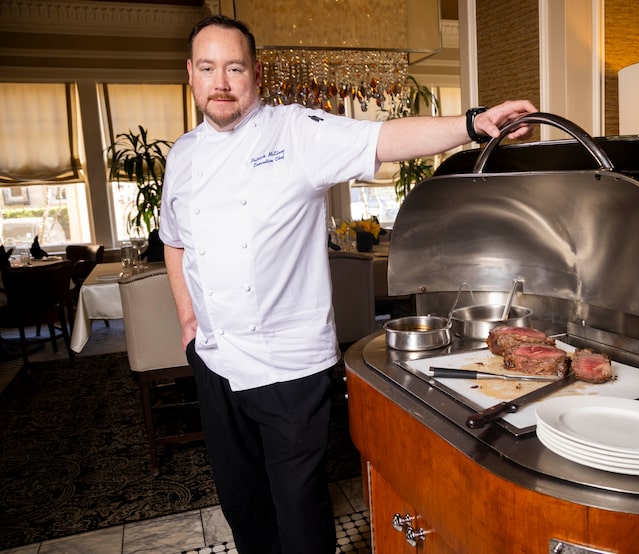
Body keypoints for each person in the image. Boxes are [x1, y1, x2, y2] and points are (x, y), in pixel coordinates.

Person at [160, 14, 537, 554]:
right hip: (215, 360)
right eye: (208, 67)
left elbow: (385, 138)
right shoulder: (183, 156)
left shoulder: (295, 131)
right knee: (242, 503)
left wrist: (474, 123)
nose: (221, 81)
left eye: (234, 68)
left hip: (289, 366)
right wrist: (188, 323)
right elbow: (175, 242)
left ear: (255, 75)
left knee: (300, 511)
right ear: (190, 75)